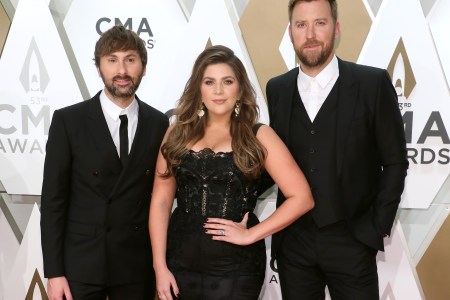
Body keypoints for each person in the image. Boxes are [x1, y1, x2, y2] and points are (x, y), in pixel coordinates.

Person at [265, 0, 409, 299]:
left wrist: (374, 229)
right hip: (295, 243)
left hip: (353, 241)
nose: (310, 34)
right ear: (290, 32)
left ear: (336, 28)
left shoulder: (372, 83)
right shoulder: (277, 88)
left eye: (320, 23)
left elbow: (395, 162)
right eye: (301, 25)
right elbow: (274, 162)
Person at [148, 45, 314, 300]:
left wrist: (251, 234)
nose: (218, 91)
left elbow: (302, 197)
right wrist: (159, 267)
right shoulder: (177, 133)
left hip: (236, 268)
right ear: (198, 89)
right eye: (209, 82)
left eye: (227, 81)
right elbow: (160, 201)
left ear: (239, 89)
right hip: (179, 261)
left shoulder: (259, 136)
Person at [40, 25, 169, 300]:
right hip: (81, 267)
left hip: (136, 267)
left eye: (130, 60)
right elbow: (53, 202)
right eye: (112, 60)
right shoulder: (68, 121)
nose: (122, 71)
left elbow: (161, 198)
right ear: (99, 68)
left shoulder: (159, 123)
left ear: (143, 67)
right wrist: (54, 272)